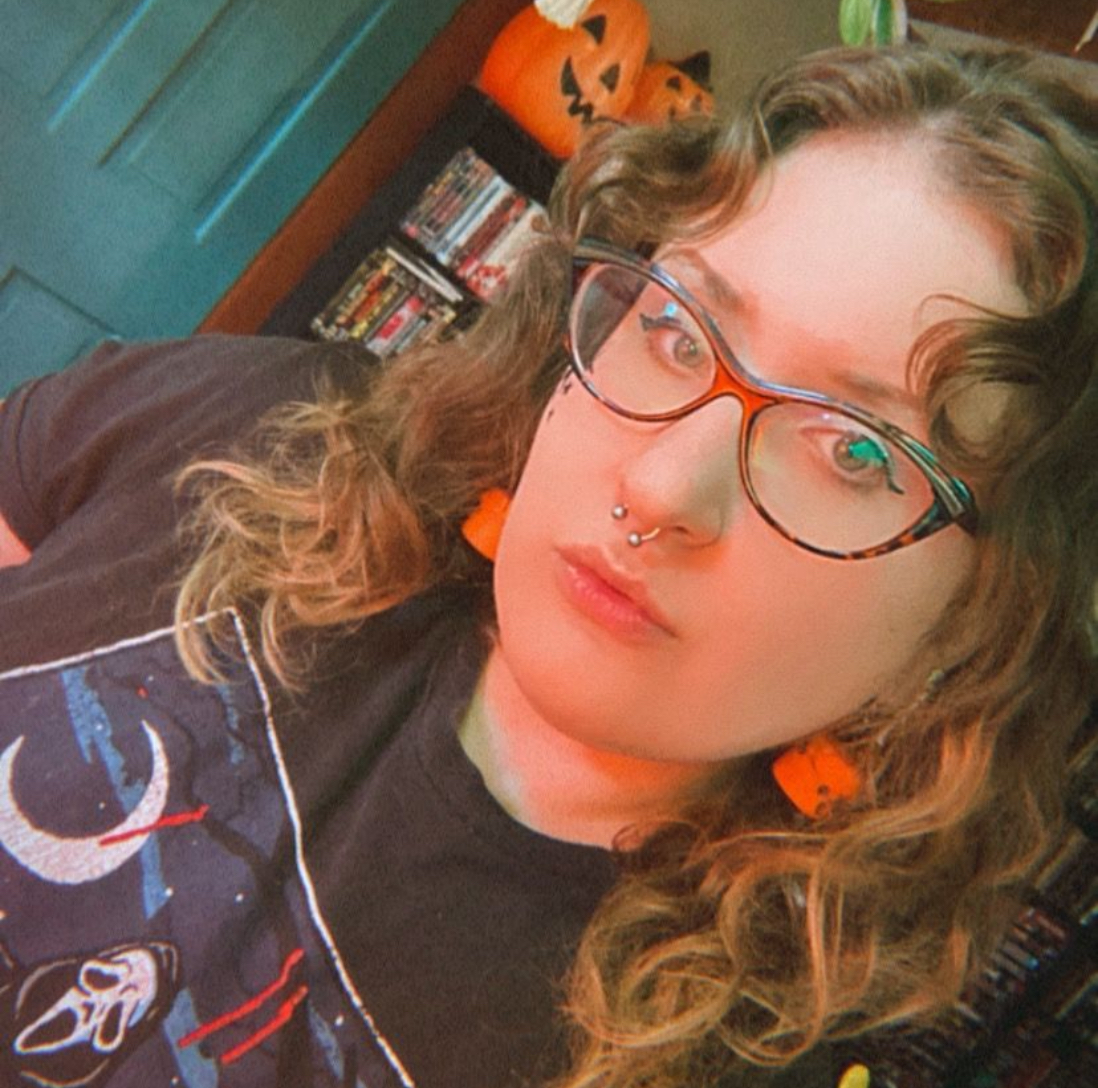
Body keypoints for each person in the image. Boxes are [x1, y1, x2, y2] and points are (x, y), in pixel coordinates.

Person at [0, 43, 1095, 1088]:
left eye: (855, 451)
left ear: (982, 625)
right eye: (678, 330)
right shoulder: (245, 430)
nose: (661, 489)